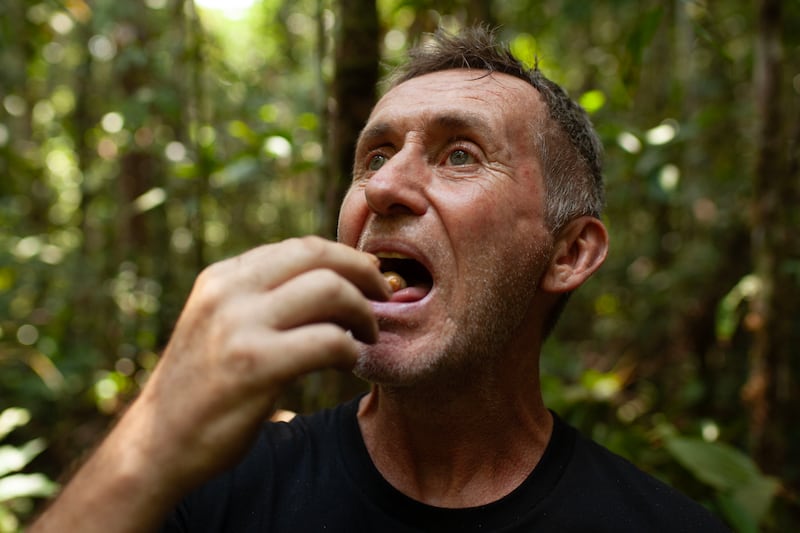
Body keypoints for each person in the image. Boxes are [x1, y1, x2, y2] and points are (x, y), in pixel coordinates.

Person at [31, 26, 729, 532]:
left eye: (460, 155)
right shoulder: (215, 488)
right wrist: (148, 444)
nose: (385, 187)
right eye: (374, 157)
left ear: (569, 253)